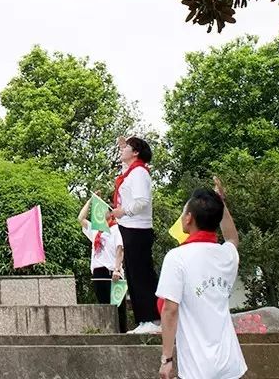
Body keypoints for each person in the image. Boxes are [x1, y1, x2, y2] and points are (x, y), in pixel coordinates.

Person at [156, 178, 246, 379]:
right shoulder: (226, 255)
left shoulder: (177, 257)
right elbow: (232, 238)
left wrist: (167, 359)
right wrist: (221, 204)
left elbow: (170, 310)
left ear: (188, 218)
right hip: (231, 363)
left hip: (198, 366)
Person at [112, 135, 161, 333]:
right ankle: (144, 320)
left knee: (141, 274)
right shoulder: (130, 172)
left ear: (136, 152)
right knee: (133, 274)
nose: (121, 151)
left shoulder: (140, 172)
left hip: (138, 227)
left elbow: (142, 201)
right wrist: (124, 145)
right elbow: (125, 175)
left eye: (126, 148)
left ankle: (153, 318)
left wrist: (123, 211)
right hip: (129, 226)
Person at [78, 197, 128, 333]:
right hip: (98, 272)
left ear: (111, 213)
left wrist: (117, 269)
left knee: (118, 309)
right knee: (104, 307)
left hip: (112, 272)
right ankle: (108, 333)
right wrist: (90, 201)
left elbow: (120, 249)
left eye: (104, 209)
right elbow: (81, 219)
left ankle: (122, 335)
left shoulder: (116, 229)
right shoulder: (96, 229)